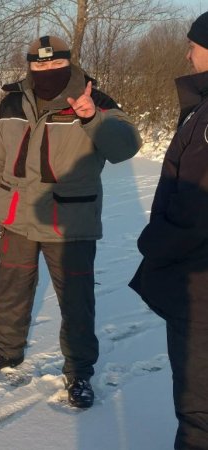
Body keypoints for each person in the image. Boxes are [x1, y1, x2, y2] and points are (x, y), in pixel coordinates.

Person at [0, 35, 142, 408]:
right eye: (39, 64)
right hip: (17, 215)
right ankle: (7, 351)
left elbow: (126, 147)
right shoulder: (11, 102)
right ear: (30, 66)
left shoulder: (94, 99)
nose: (46, 69)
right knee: (10, 291)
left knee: (76, 300)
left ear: (68, 62)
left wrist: (92, 118)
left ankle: (79, 371)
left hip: (70, 221)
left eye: (54, 63)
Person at [129, 12, 208, 449]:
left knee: (199, 412)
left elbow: (196, 205)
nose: (187, 54)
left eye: (193, 46)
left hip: (200, 285)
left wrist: (153, 243)